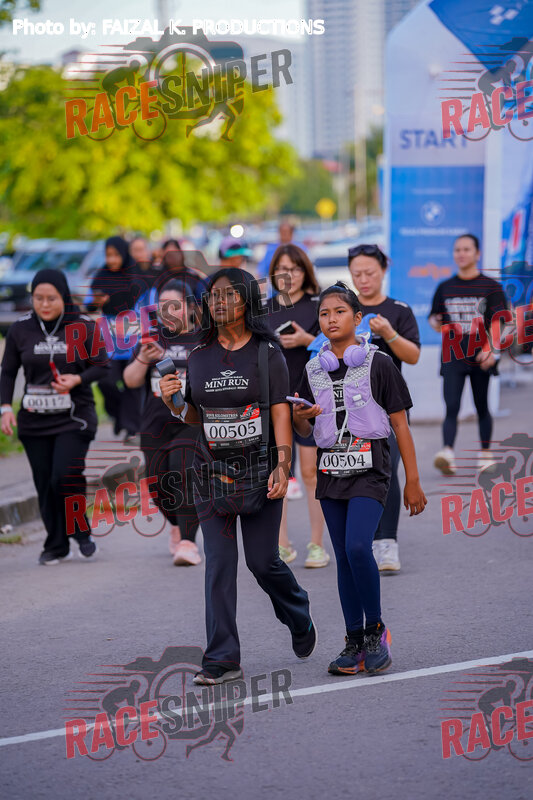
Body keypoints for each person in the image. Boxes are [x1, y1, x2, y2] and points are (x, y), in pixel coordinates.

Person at [159, 267, 316, 685]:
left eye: (228, 295)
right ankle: (222, 658)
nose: (219, 302)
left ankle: (297, 612)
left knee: (262, 562)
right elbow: (195, 415)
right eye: (213, 295)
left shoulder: (268, 353)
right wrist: (173, 402)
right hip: (210, 473)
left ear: (247, 301)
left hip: (260, 471)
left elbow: (280, 412)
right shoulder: (199, 355)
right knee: (219, 563)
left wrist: (283, 465)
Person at [292, 282, 426, 675]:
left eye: (339, 312)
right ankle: (353, 640)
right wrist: (302, 418)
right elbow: (303, 429)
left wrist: (413, 480)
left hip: (371, 469)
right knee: (344, 559)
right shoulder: (312, 369)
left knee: (356, 547)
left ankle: (376, 631)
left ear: (357, 317)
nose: (331, 319)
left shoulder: (378, 363)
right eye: (324, 314)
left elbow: (400, 425)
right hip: (331, 471)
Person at [0, 269, 108, 564]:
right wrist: (5, 408)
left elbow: (103, 366)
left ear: (64, 297)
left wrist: (77, 379)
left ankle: (80, 530)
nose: (44, 304)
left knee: (65, 474)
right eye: (38, 298)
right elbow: (7, 372)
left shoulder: (83, 327)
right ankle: (56, 544)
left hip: (74, 417)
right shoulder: (21, 329)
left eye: (51, 298)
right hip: (34, 420)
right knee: (45, 483)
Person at [348, 243, 421, 573]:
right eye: (357, 274)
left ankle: (387, 541)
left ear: (383, 271)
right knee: (356, 474)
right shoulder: (345, 308)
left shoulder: (399, 310)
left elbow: (413, 356)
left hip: (389, 408)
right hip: (348, 410)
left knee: (386, 471)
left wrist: (389, 333)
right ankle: (363, 539)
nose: (363, 280)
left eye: (369, 273)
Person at [123, 281, 202, 566]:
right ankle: (178, 524)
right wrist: (143, 360)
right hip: (155, 423)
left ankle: (188, 542)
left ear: (189, 307)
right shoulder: (152, 340)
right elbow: (130, 381)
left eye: (174, 306)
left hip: (190, 422)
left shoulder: (203, 339)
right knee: (157, 484)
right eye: (162, 307)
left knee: (183, 475)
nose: (167, 313)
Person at [265, 244, 329, 568]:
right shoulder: (262, 309)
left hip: (311, 400)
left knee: (311, 473)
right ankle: (281, 544)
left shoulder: (320, 306)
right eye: (281, 268)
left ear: (306, 272)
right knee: (279, 473)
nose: (287, 274)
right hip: (273, 401)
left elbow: (340, 346)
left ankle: (317, 544)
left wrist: (308, 341)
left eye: (295, 268)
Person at [429, 233, 508, 475]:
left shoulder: (490, 287)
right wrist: (436, 322)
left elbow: (499, 321)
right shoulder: (445, 287)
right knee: (451, 405)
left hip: (480, 356)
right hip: (453, 355)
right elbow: (435, 319)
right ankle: (447, 453)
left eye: (466, 249)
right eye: (457, 250)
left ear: (477, 253)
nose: (461, 254)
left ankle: (485, 455)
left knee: (481, 405)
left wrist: (490, 349)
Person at [90, 235, 143, 441]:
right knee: (106, 381)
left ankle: (131, 428)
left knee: (132, 383)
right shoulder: (100, 276)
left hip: (132, 337)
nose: (112, 260)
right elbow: (89, 305)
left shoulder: (135, 275)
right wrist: (97, 303)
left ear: (123, 254)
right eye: (108, 255)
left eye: (116, 255)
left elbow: (144, 304)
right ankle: (119, 416)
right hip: (108, 339)